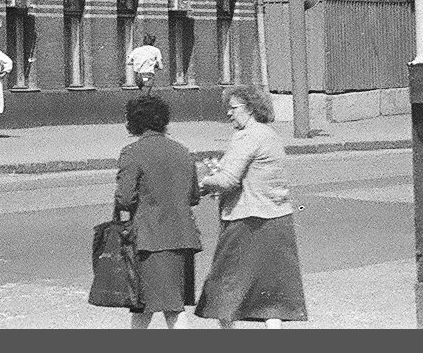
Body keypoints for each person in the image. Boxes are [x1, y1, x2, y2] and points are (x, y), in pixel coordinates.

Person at [195, 85, 307, 328]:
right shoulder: (270, 135)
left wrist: (203, 182)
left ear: (249, 109)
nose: (228, 113)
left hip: (246, 222)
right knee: (271, 293)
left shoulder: (247, 136)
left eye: (232, 108)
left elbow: (228, 179)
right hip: (278, 219)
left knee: (225, 288)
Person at [115, 94, 202, 329]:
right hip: (183, 237)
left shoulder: (133, 152)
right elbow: (194, 196)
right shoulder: (182, 151)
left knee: (148, 305)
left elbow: (124, 199)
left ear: (134, 122)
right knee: (171, 304)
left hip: (150, 240)